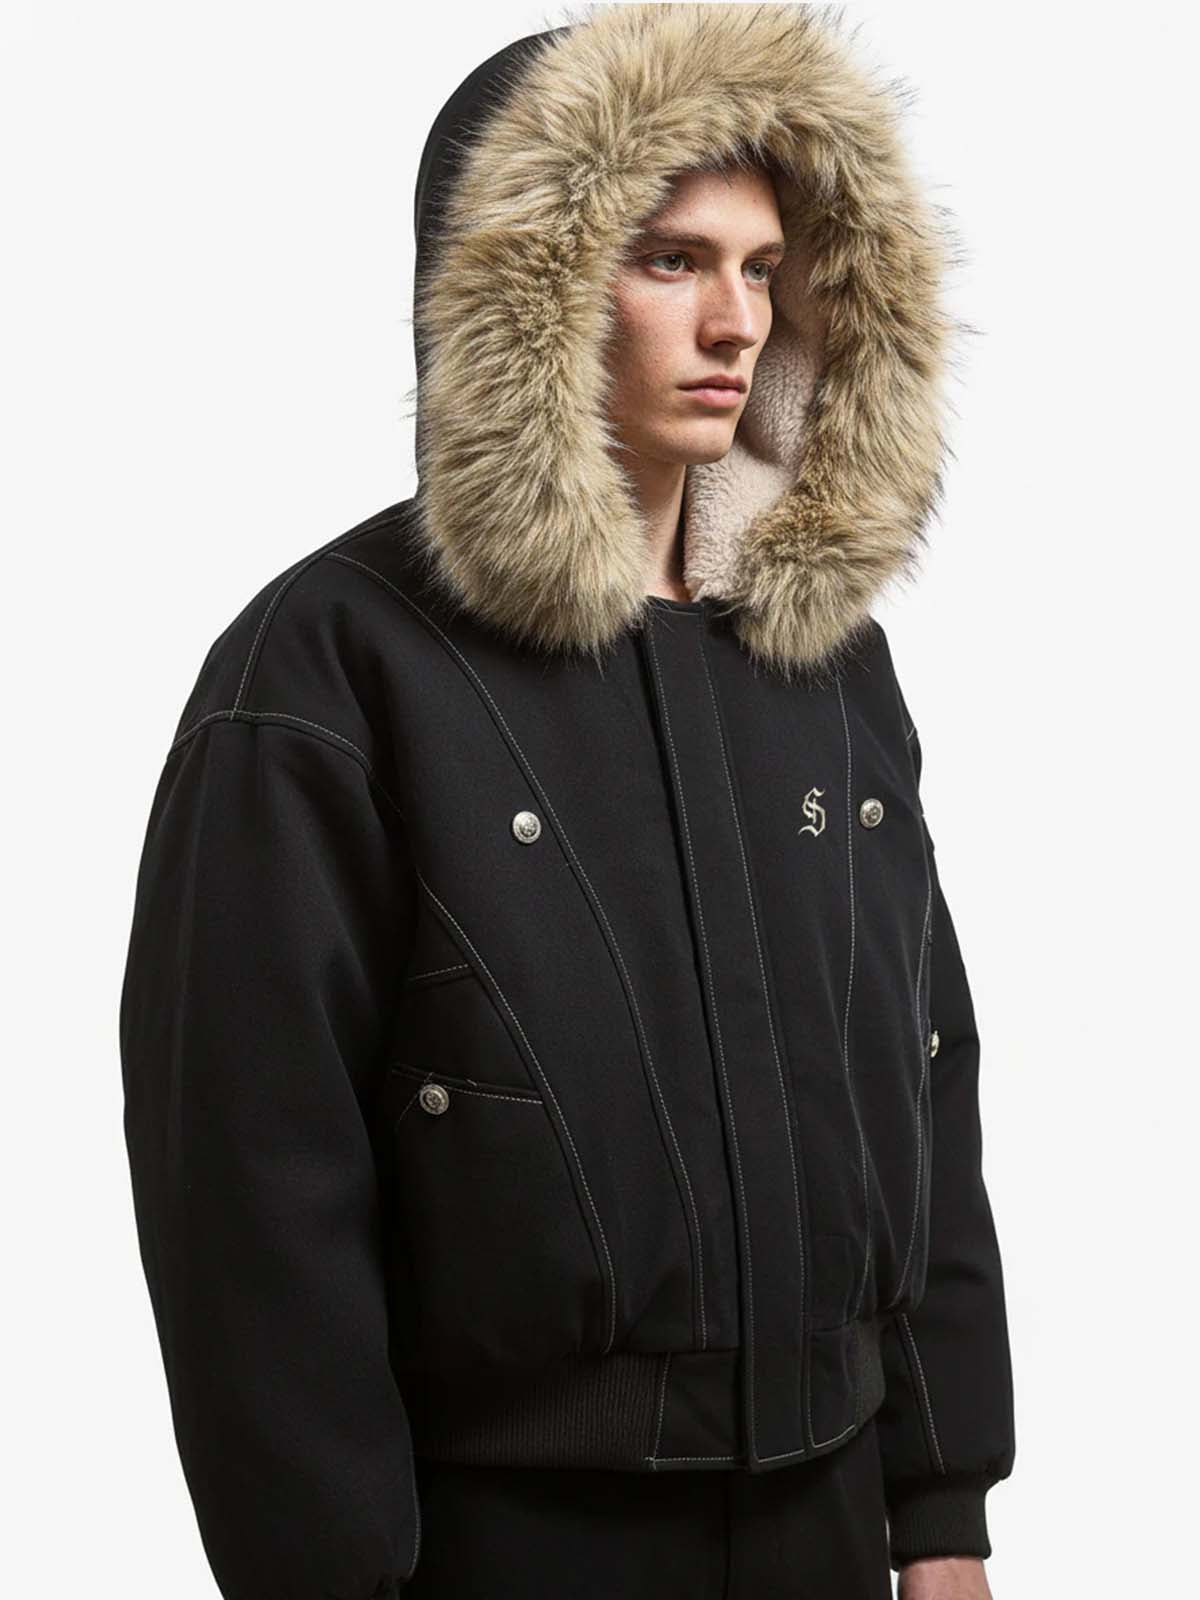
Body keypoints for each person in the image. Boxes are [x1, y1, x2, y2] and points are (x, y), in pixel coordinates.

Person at [119, 6, 1016, 1597]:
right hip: (509, 1542)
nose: (735, 319)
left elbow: (923, 1064)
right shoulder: (329, 667)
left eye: (763, 266)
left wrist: (941, 1507)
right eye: (672, 260)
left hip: (827, 1525)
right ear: (522, 292)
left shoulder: (823, 661)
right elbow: (250, 1185)